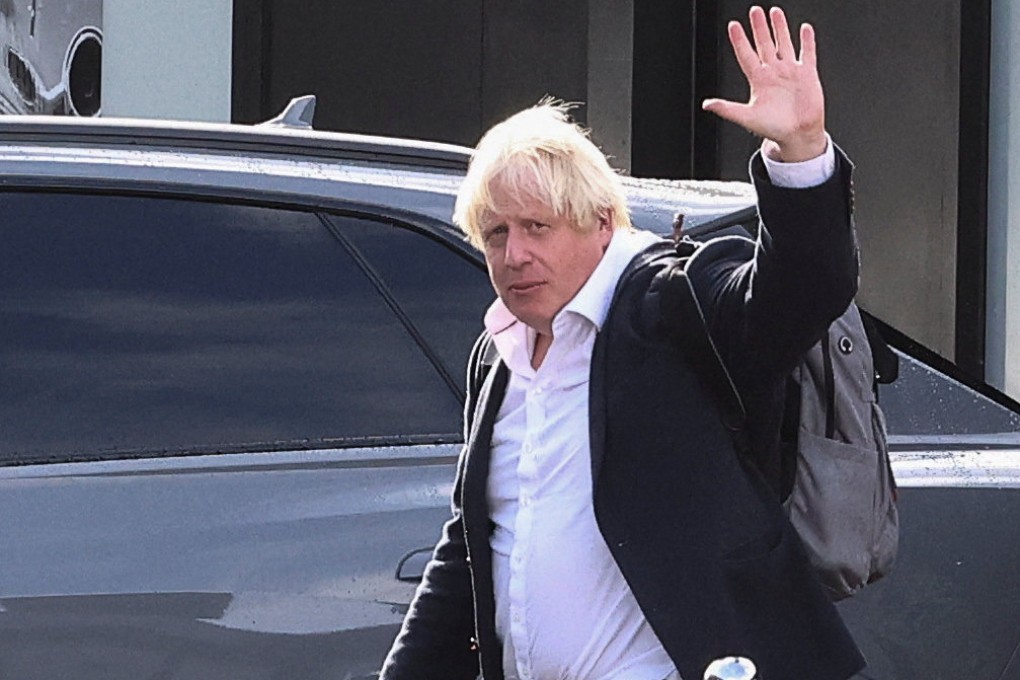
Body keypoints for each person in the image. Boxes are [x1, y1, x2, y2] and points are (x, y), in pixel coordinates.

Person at [380, 6, 865, 680]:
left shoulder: (670, 304)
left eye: (537, 227)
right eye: (496, 234)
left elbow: (803, 292)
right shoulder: (502, 353)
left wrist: (800, 152)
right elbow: (473, 547)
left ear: (602, 222)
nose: (514, 255)